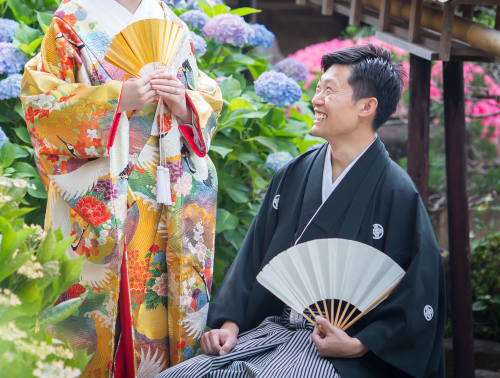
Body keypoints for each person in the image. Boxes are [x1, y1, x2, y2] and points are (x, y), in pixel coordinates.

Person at [20, 0, 223, 378]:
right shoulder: (73, 21)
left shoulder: (168, 22)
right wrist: (117, 99)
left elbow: (206, 95)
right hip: (102, 193)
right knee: (98, 313)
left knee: (159, 310)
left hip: (165, 193)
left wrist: (184, 102)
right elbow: (41, 101)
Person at [156, 44, 446, 378]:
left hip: (345, 352)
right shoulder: (294, 173)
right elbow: (253, 257)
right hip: (277, 331)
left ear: (366, 107)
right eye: (318, 88)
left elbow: (419, 296)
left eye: (329, 91)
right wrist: (230, 325)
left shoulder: (397, 192)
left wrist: (359, 344)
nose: (316, 100)